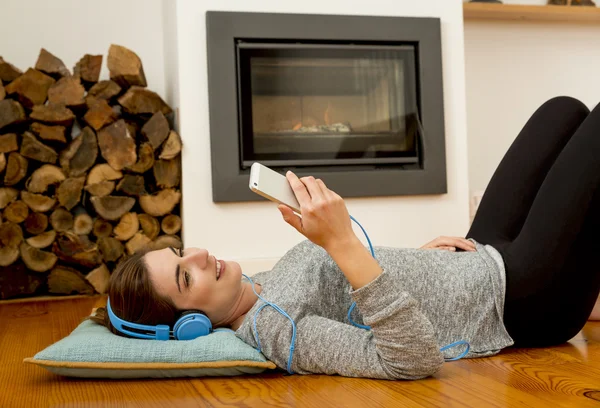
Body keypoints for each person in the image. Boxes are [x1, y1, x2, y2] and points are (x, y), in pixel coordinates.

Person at [90, 96, 600, 380]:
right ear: (192, 327)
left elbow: (357, 294)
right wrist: (340, 242)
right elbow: (411, 359)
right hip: (520, 299)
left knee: (562, 111)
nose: (199, 254)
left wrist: (415, 263)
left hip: (474, 259)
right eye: (185, 274)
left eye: (182, 252)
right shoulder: (279, 333)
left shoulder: (258, 287)